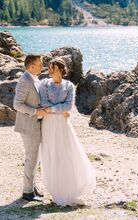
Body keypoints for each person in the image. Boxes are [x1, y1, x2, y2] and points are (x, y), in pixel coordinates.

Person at [39, 58, 96, 206]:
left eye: (53, 68)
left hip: (64, 125)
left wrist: (52, 110)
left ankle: (69, 189)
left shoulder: (69, 86)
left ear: (61, 70)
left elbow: (68, 106)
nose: (50, 70)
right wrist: (59, 110)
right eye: (49, 68)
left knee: (66, 153)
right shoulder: (44, 84)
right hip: (49, 123)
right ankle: (56, 190)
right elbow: (44, 103)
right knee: (52, 154)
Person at [13, 54, 46, 201]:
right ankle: (27, 192)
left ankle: (32, 187)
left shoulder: (35, 78)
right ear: (32, 66)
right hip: (28, 126)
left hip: (36, 125)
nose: (42, 67)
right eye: (40, 64)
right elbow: (17, 104)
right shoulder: (25, 81)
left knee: (35, 159)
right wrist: (35, 112)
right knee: (31, 158)